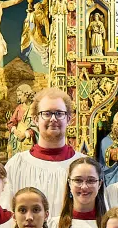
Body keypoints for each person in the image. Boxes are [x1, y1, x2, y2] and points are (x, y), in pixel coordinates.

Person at [5, 88, 80, 219]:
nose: (53, 119)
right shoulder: (16, 165)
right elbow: (5, 214)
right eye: (46, 113)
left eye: (59, 113)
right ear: (35, 119)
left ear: (69, 119)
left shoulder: (83, 166)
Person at [55, 157, 106, 228]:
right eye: (78, 180)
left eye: (91, 181)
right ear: (69, 183)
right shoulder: (51, 227)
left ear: (99, 184)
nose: (84, 187)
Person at [98, 112, 118, 187]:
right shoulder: (106, 140)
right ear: (113, 126)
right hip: (112, 177)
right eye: (117, 125)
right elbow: (110, 156)